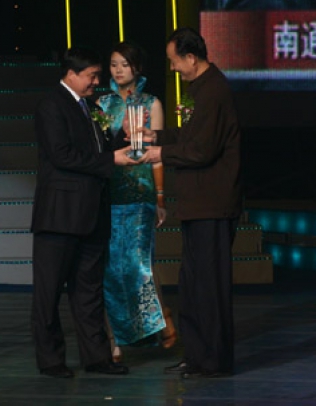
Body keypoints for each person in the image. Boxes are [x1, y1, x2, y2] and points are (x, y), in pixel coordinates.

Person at [140, 27, 243, 378]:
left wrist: (160, 153)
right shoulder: (200, 89)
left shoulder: (214, 91)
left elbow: (201, 150)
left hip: (212, 202)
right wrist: (158, 136)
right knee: (193, 284)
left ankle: (213, 360)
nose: (172, 68)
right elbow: (190, 136)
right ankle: (197, 355)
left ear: (191, 58)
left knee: (209, 286)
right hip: (198, 203)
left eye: (175, 61)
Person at [30, 46, 138, 378]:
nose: (96, 81)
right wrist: (110, 159)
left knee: (89, 291)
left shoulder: (92, 107)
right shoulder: (51, 105)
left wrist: (123, 137)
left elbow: (101, 149)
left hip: (92, 214)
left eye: (97, 75)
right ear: (71, 74)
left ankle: (97, 358)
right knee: (49, 292)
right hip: (60, 215)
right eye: (91, 75)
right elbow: (61, 155)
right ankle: (51, 360)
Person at [96, 41, 176, 363]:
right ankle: (112, 340)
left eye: (124, 65)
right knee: (110, 270)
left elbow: (156, 155)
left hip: (140, 194)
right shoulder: (101, 103)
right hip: (110, 194)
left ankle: (159, 318)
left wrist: (160, 197)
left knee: (139, 266)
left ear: (137, 68)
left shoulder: (152, 103)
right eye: (113, 64)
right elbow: (100, 149)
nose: (118, 70)